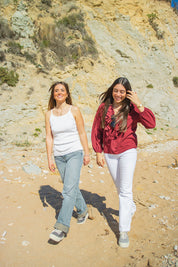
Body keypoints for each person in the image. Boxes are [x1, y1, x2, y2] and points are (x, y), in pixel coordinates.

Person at [91, 77, 156, 248]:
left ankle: (123, 231)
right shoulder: (103, 108)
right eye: (116, 90)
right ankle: (131, 206)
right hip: (110, 152)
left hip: (128, 150)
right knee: (120, 187)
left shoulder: (132, 108)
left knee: (125, 190)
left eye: (122, 91)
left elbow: (151, 124)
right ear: (112, 90)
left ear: (127, 93)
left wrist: (139, 104)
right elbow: (96, 130)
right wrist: (98, 152)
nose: (118, 94)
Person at [45, 81, 90, 243]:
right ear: (53, 94)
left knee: (68, 191)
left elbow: (82, 132)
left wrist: (87, 152)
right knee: (70, 186)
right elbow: (49, 137)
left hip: (74, 153)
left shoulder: (74, 110)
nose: (59, 92)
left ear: (67, 93)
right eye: (56, 90)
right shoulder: (49, 114)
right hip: (59, 156)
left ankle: (61, 227)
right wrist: (49, 157)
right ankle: (83, 211)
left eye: (62, 90)